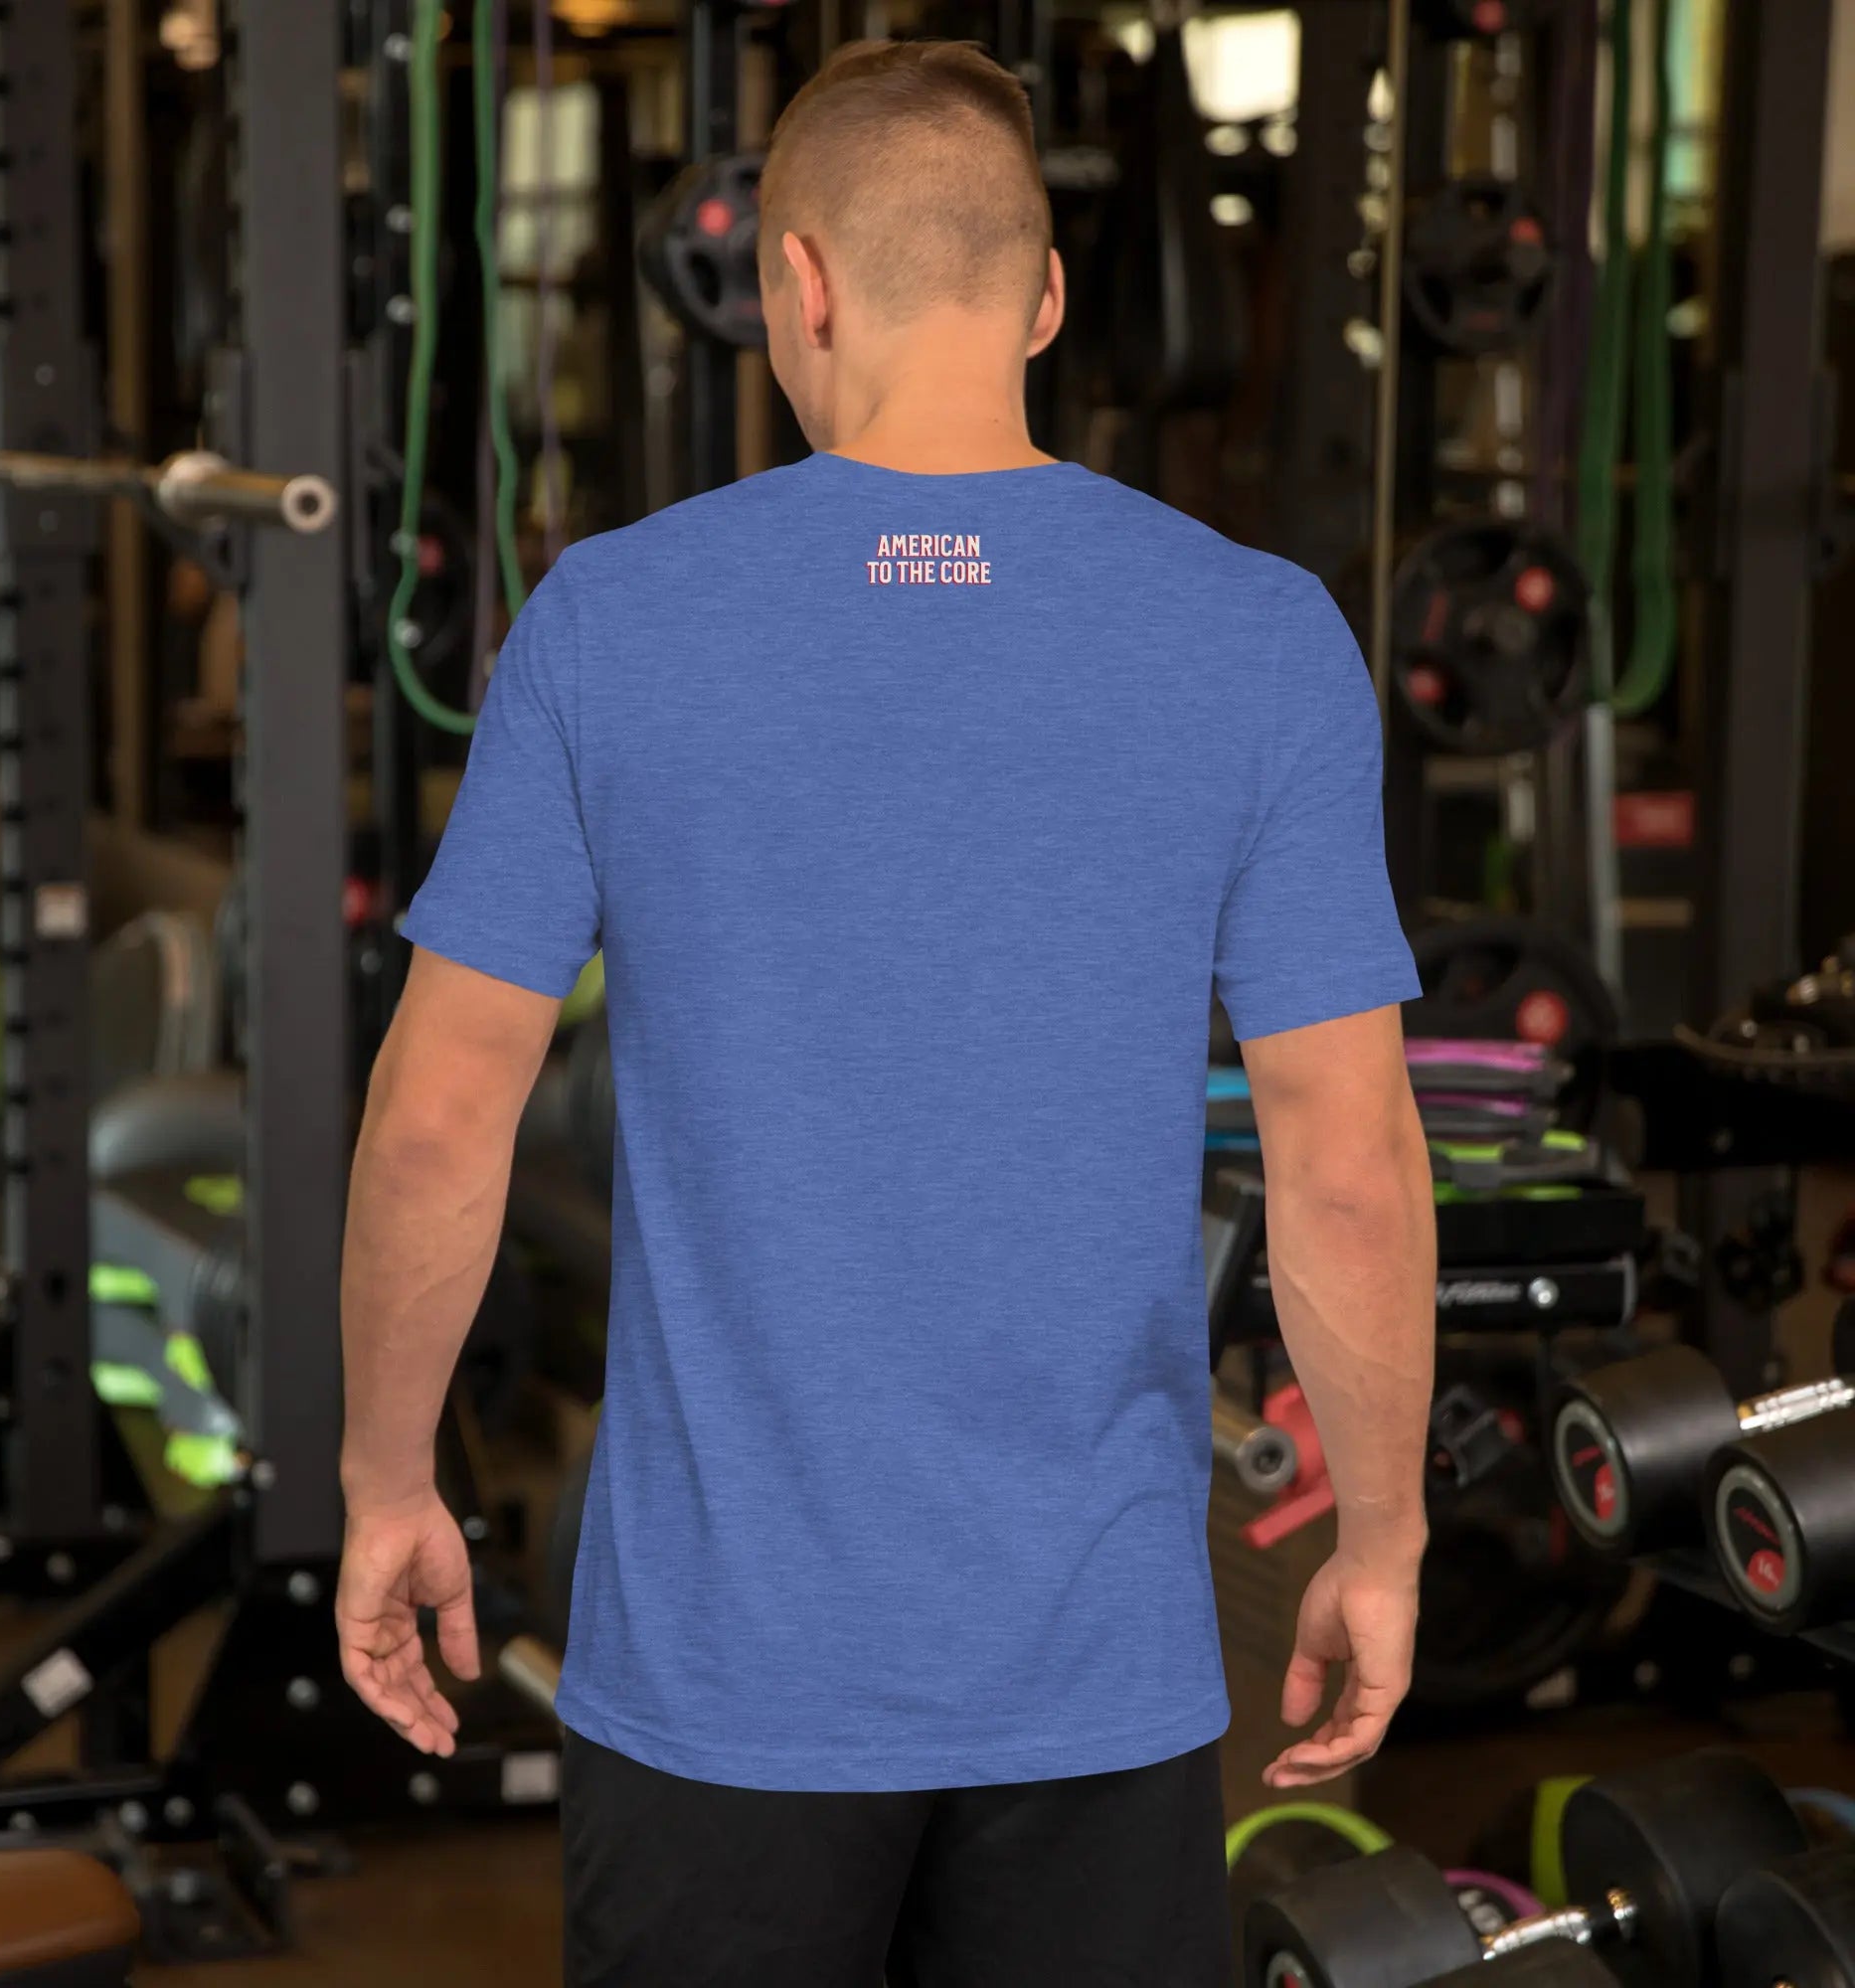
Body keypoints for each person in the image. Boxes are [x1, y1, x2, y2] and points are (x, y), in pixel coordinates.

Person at [337, 38, 1434, 1988]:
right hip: (1095, 1676)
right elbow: (1340, 1153)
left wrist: (387, 1483)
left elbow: (438, 1120)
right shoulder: (1255, 635)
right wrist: (1385, 1537)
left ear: (797, 283)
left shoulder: (609, 617)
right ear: (1047, 295)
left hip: (719, 1681)